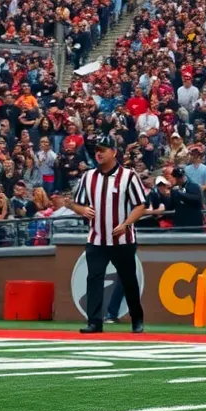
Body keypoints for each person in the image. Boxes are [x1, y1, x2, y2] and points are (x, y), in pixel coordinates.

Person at [68, 134, 148, 334]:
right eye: (96, 149)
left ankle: (137, 318)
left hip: (122, 239)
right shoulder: (88, 177)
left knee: (128, 279)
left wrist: (126, 223)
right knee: (93, 278)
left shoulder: (128, 176)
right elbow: (75, 203)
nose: (98, 153)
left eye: (103, 149)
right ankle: (94, 322)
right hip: (96, 238)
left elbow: (141, 206)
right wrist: (82, 210)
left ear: (114, 152)